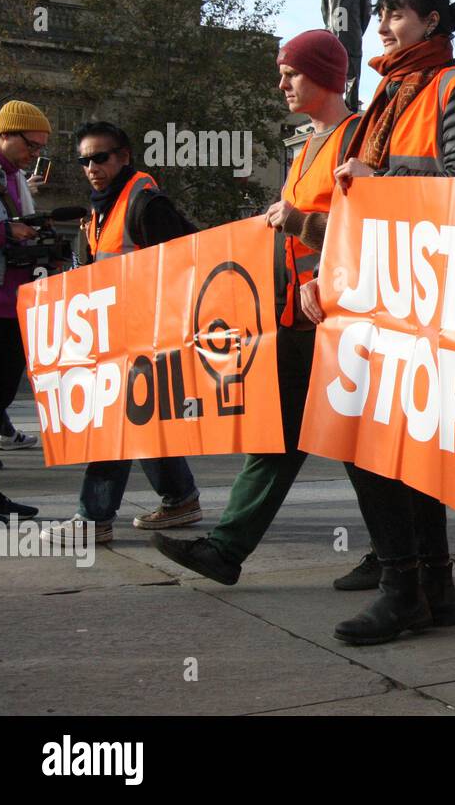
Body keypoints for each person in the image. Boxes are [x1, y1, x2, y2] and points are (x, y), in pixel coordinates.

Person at [304, 0, 455, 646]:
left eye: (396, 13)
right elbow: (348, 209)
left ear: (432, 19)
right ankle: (429, 589)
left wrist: (385, 184)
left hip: (427, 296)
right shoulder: (384, 99)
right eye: (379, 15)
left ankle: (406, 590)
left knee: (376, 443)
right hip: (375, 292)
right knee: (394, 447)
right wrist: (323, 273)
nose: (384, 26)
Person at [151, 30, 368, 582]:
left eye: (291, 72)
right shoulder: (309, 144)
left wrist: (307, 250)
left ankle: (403, 559)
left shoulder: (355, 139)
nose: (281, 82)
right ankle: (397, 558)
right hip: (299, 317)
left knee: (354, 439)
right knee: (305, 436)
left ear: (323, 74)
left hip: (339, 318)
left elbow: (364, 228)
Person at [40, 122, 200, 545]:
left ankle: (94, 518)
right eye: (84, 160)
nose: (92, 167)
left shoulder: (145, 204)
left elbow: (190, 259)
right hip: (114, 335)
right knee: (142, 422)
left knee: (114, 423)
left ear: (124, 156)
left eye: (101, 157)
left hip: (146, 336)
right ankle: (181, 497)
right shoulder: (99, 210)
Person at [0, 100, 49, 524]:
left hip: (14, 306)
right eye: (31, 144)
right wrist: (4, 231)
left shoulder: (16, 178)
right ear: (6, 134)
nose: (35, 154)